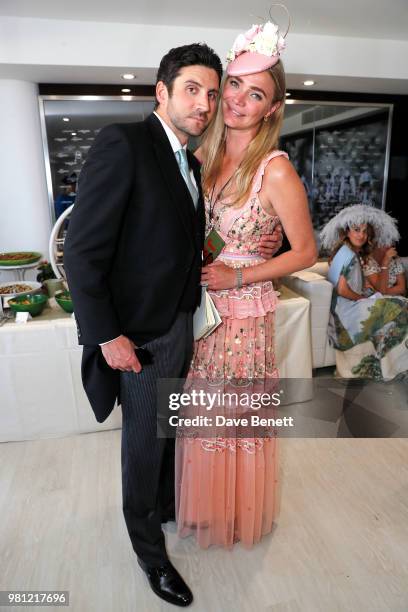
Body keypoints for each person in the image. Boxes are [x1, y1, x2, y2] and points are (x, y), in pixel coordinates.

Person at [64, 43, 281, 607]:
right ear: (160, 92)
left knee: (168, 435)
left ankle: (163, 511)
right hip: (137, 338)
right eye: (193, 90)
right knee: (142, 446)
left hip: (182, 330)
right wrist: (107, 335)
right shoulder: (125, 144)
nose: (206, 103)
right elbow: (82, 253)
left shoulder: (190, 162)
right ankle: (149, 555)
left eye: (213, 93)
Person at [175, 20, 317, 550]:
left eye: (255, 92)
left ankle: (236, 514)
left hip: (243, 314)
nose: (237, 99)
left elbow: (306, 252)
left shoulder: (275, 170)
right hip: (200, 309)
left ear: (271, 108)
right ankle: (207, 507)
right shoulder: (203, 158)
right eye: (234, 83)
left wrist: (239, 273)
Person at [321, 204, 408, 380]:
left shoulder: (345, 252)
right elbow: (342, 289)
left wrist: (364, 290)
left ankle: (390, 363)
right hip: (345, 311)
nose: (361, 235)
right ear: (347, 233)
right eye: (356, 230)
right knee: (401, 304)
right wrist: (361, 297)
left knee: (398, 304)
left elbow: (347, 284)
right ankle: (394, 367)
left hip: (344, 306)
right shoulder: (348, 254)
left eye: (364, 231)